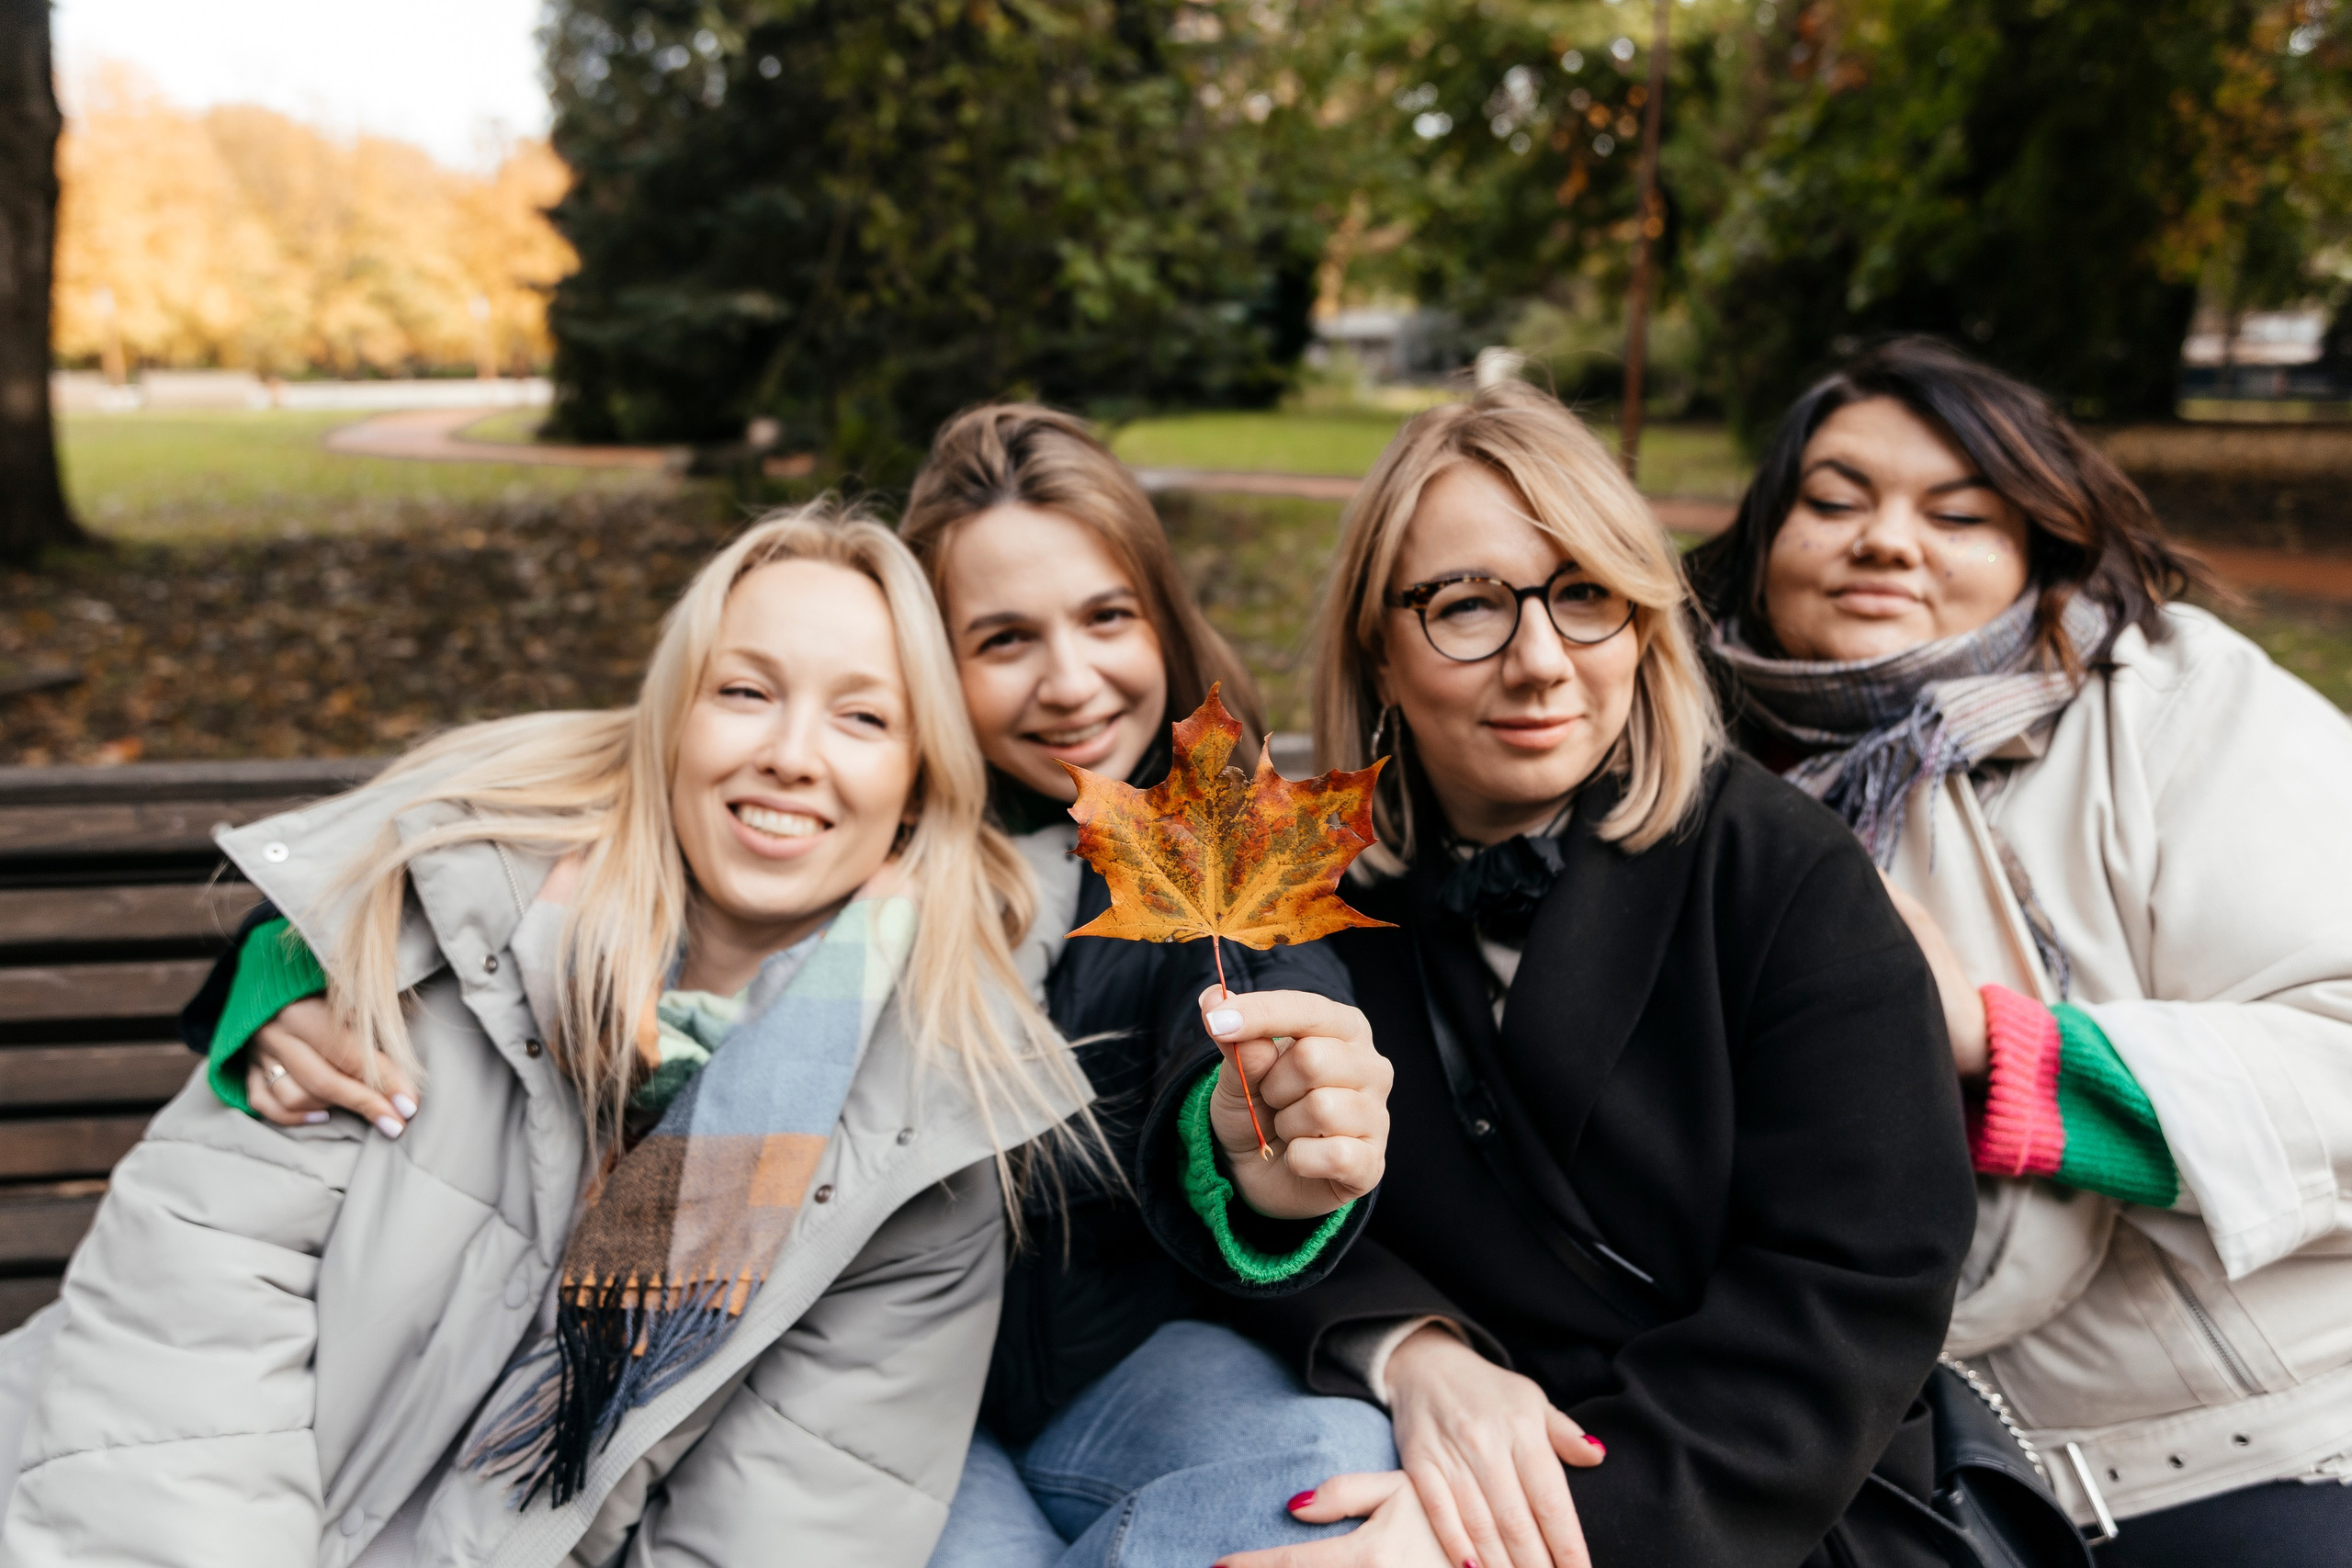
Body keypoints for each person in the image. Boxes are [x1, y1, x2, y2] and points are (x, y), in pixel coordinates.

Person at [0, 504, 1364, 1568]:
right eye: (744, 691)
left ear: (914, 779)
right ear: (665, 722)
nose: (792, 753)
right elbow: (165, 1385)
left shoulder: (941, 1105)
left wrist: (1264, 1169)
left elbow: (784, 1526)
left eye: (863, 715)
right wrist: (279, 963)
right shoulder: (401, 958)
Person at [1209, 379, 1980, 1568]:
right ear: (1380, 641)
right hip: (1427, 1452)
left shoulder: (1783, 876)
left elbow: (1853, 1288)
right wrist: (1411, 1347)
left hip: (1763, 1507)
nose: (1540, 663)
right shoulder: (1309, 887)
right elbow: (1255, 1202)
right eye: (1469, 605)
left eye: (1584, 598)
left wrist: (1524, 1539)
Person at [1690, 336, 2352, 1568]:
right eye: (1832, 501)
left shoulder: (2176, 706)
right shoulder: (1673, 764)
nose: (1885, 539)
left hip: (2247, 1440)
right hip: (1868, 1471)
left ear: (2037, 546)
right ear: (1762, 539)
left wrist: (2011, 1047)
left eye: (1959, 511)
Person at [900, 403, 1398, 1568]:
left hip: (1130, 1366)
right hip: (903, 1393)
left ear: (1161, 619)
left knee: (1326, 1468)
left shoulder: (1221, 834)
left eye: (1105, 616)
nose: (1072, 681)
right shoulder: (862, 841)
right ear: (931, 663)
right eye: (1005, 640)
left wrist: (1264, 1150)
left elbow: (1262, 1006)